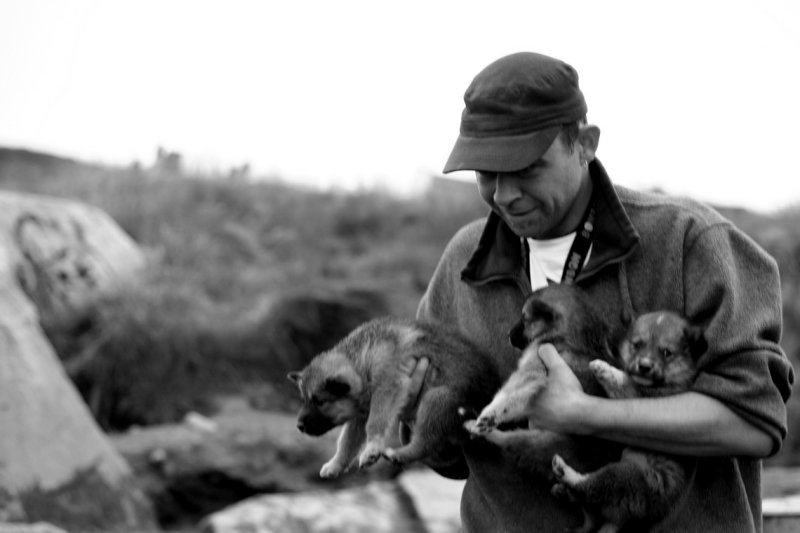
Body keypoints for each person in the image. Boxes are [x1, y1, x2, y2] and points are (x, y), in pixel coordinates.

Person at [408, 51, 795, 532]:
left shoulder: (692, 243)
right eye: (487, 174)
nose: (505, 195)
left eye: (527, 168)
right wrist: (421, 416)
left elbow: (755, 423)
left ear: (585, 144)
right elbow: (453, 461)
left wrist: (585, 414)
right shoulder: (462, 260)